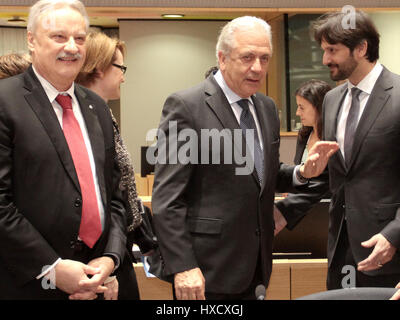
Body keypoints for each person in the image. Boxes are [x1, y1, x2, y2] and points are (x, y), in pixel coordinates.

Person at [151, 16, 338, 300]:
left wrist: (302, 173)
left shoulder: (265, 108)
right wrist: (183, 265)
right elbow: (167, 199)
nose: (258, 68)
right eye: (248, 57)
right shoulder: (187, 107)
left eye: (265, 58)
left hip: (257, 268)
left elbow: (262, 174)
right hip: (205, 272)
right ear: (222, 58)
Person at [0, 0, 128, 299]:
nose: (72, 47)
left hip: (96, 277)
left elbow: (116, 195)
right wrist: (52, 267)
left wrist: (110, 257)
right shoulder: (5, 101)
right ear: (31, 40)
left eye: (80, 38)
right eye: (59, 36)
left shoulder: (96, 106)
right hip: (28, 282)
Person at [276, 10, 400, 290]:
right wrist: (285, 211)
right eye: (323, 50)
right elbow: (332, 173)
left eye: (332, 50)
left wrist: (394, 234)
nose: (324, 60)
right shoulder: (331, 100)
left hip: (388, 249)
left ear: (361, 48)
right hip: (340, 249)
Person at [76, 31, 157, 300]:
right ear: (99, 68)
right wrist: (106, 258)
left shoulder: (103, 113)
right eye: (120, 68)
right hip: (99, 252)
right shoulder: (83, 116)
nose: (123, 76)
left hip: (116, 245)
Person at [274, 80, 332, 233]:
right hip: (299, 215)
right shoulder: (304, 134)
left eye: (301, 107)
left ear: (319, 108)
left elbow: (325, 184)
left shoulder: (334, 139)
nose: (297, 113)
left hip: (323, 216)